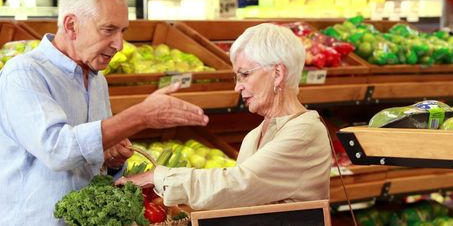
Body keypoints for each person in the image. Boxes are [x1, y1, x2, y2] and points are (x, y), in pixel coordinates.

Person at [0, 0, 208, 226]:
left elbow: (92, 164)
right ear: (71, 25)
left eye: (123, 31)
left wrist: (112, 161)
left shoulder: (96, 80)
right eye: (109, 29)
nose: (120, 44)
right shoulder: (24, 74)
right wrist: (140, 117)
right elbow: (59, 150)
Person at [117, 23, 331, 210]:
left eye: (245, 74)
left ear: (277, 74)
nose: (237, 86)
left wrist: (158, 176)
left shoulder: (305, 133)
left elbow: (238, 184)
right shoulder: (255, 135)